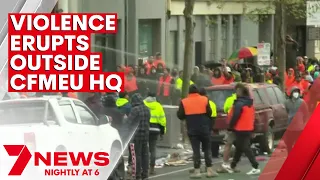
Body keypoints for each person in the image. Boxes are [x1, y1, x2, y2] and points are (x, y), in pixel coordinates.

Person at [177, 84, 218, 178]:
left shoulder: (184, 101)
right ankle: (209, 170)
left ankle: (197, 171)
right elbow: (209, 112)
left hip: (192, 129)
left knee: (196, 150)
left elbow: (180, 116)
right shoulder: (204, 99)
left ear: (189, 92)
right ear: (197, 91)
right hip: (204, 128)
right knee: (207, 149)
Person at [225, 83, 260, 175]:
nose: (235, 92)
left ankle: (255, 166)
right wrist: (254, 129)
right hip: (248, 127)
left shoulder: (239, 103)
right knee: (240, 147)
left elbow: (235, 116)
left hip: (240, 128)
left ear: (240, 91)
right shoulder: (249, 103)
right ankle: (233, 165)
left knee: (245, 147)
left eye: (237, 91)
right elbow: (253, 117)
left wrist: (230, 126)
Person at [127, 93, 151, 180]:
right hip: (145, 135)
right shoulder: (147, 109)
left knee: (136, 156)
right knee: (145, 155)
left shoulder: (135, 110)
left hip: (136, 136)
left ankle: (137, 175)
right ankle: (145, 174)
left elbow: (128, 122)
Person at [143, 92, 166, 175]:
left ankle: (144, 168)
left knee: (144, 149)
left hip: (145, 128)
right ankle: (152, 168)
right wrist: (162, 132)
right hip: (155, 129)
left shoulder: (143, 103)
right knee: (153, 149)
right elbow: (162, 121)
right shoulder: (158, 106)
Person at [284, 87, 309, 153]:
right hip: (290, 127)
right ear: (291, 93)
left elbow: (306, 113)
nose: (296, 93)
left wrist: (303, 123)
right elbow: (286, 112)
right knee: (289, 143)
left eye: (297, 92)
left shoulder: (302, 102)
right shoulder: (287, 102)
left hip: (299, 127)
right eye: (294, 92)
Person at [199, 88, 219, 158]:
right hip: (212, 119)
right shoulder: (212, 102)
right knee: (209, 136)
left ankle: (205, 151)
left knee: (202, 136)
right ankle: (213, 153)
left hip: (205, 119)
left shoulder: (202, 101)